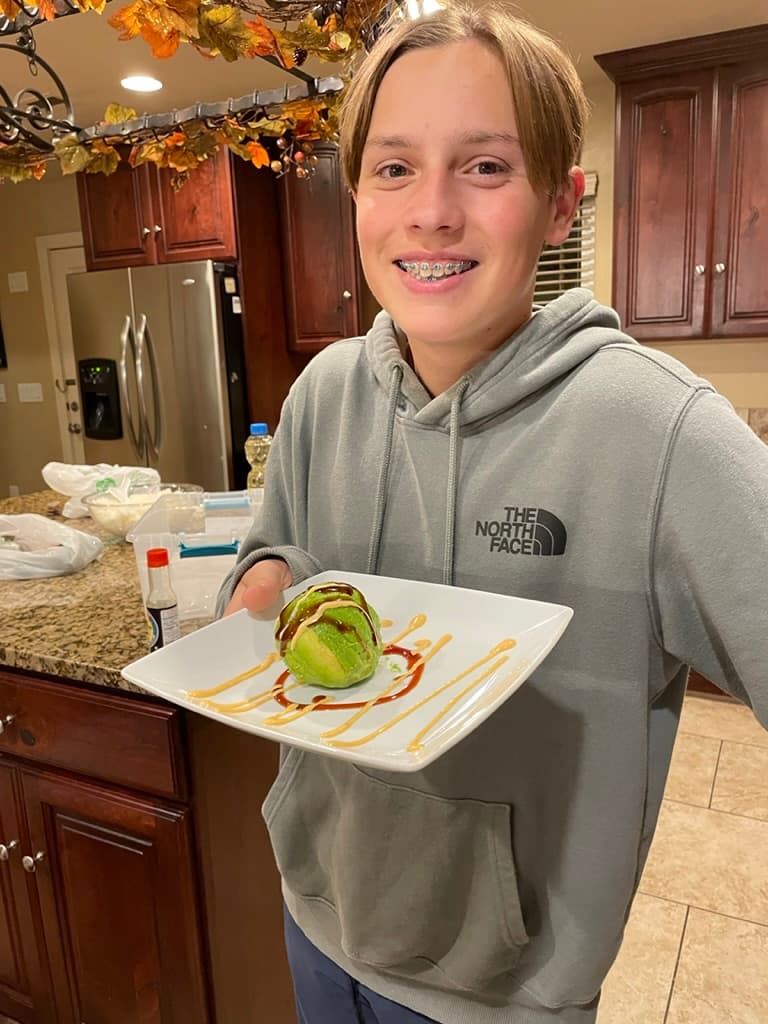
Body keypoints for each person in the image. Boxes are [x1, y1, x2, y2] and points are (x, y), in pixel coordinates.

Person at [218, 3, 768, 1022]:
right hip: (316, 909)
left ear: (560, 205)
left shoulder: (658, 431)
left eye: (483, 166)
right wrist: (262, 577)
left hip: (503, 988)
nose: (429, 212)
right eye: (392, 168)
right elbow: (274, 550)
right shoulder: (321, 391)